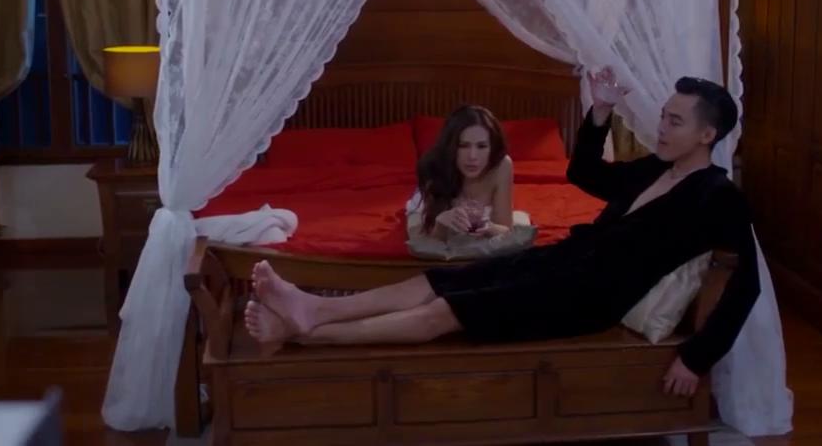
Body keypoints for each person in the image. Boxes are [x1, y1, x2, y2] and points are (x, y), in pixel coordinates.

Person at [245, 70, 760, 397]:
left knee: (445, 311)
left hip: (588, 297)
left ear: (707, 134)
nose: (662, 127)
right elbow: (584, 174)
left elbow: (746, 285)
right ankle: (315, 307)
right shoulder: (655, 168)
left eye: (674, 121)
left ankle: (304, 331)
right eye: (663, 117)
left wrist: (696, 358)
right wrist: (600, 113)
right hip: (563, 262)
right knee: (438, 281)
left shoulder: (717, 196)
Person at [404, 105, 536, 260]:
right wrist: (441, 224)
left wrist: (489, 228)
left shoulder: (502, 165)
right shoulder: (435, 166)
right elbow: (432, 237)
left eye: (482, 146)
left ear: (492, 148)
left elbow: (505, 228)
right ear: (451, 146)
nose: (472, 156)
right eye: (463, 146)